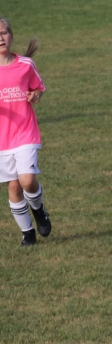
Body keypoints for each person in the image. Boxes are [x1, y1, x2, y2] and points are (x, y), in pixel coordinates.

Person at [0, 18, 52, 246]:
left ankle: (38, 209)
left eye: (3, 33)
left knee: (27, 181)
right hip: (2, 139)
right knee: (13, 186)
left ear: (11, 36)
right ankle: (27, 233)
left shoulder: (25, 65)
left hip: (25, 133)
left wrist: (36, 94)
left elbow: (38, 87)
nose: (0, 38)